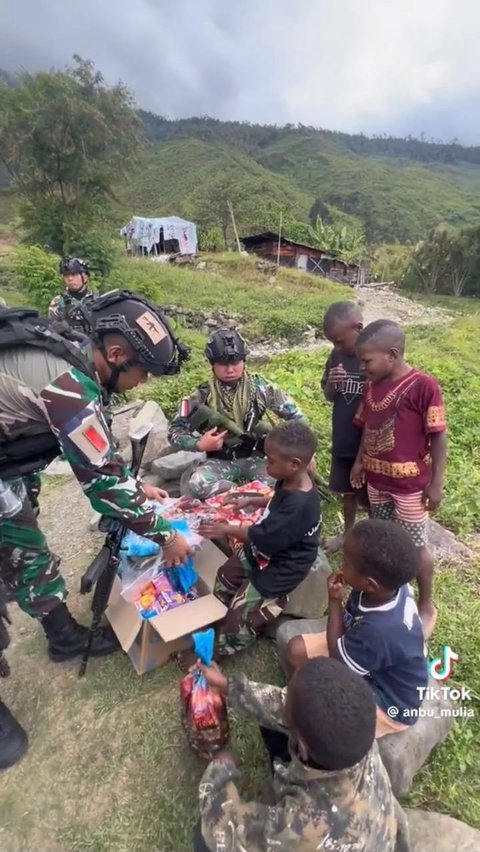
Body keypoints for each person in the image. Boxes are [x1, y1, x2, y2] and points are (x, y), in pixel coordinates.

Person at [0, 291, 192, 766]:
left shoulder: (68, 353)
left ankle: (62, 634)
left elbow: (99, 463)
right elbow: (101, 487)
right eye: (141, 372)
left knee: (26, 546)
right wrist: (167, 536)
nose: (140, 382)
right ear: (115, 354)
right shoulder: (69, 385)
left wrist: (134, 487)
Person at [193, 656, 409, 851]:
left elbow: (222, 831)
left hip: (325, 834)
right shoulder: (356, 733)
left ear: (303, 748)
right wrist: (229, 686)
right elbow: (281, 705)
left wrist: (220, 769)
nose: (283, 699)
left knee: (203, 841)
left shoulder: (299, 826)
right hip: (373, 833)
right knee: (274, 720)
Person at [285, 519, 428, 738]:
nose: (341, 566)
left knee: (326, 715)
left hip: (389, 700)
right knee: (296, 650)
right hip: (362, 651)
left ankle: (309, 723)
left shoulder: (380, 630)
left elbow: (339, 661)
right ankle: (299, 705)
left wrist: (334, 602)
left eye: (346, 563)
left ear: (370, 583)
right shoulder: (388, 587)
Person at [351, 319, 447, 637]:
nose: (363, 367)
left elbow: (438, 436)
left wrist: (436, 483)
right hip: (378, 483)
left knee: (416, 547)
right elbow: (367, 427)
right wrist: (359, 463)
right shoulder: (372, 386)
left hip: (410, 487)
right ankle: (394, 599)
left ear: (391, 355)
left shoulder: (423, 386)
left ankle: (427, 604)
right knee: (386, 541)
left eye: (367, 361)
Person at [199, 422, 321, 656]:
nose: (266, 465)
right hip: (267, 546)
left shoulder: (299, 507)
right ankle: (220, 616)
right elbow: (279, 501)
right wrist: (253, 500)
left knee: (240, 615)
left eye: (270, 461)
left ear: (294, 464)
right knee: (226, 575)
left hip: (284, 565)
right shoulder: (292, 480)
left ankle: (223, 649)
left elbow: (262, 536)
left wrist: (226, 529)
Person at [168, 329, 306, 499]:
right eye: (223, 364)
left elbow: (298, 417)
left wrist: (303, 452)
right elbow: (174, 430)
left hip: (258, 457)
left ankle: (250, 497)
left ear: (244, 361)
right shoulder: (200, 395)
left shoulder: (262, 388)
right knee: (198, 484)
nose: (230, 369)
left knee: (283, 483)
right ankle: (242, 496)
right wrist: (199, 444)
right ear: (212, 364)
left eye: (236, 362)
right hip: (220, 459)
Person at [321, 301, 368, 552]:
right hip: (344, 438)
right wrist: (332, 384)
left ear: (358, 328)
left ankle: (370, 541)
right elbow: (329, 396)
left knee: (370, 496)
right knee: (347, 493)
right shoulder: (336, 357)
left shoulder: (374, 356)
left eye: (340, 341)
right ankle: (348, 534)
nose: (336, 347)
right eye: (332, 343)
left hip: (369, 443)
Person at [48, 256, 97, 333]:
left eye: (74, 274)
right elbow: (53, 332)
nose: (70, 279)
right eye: (66, 275)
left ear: (85, 277)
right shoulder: (58, 302)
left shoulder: (98, 300)